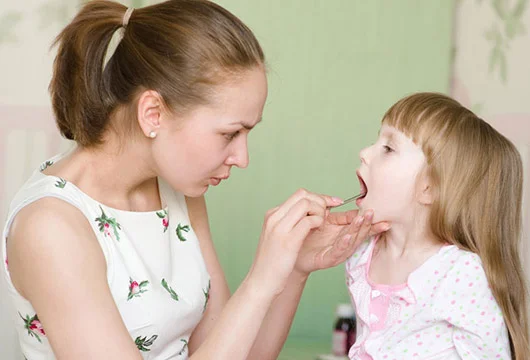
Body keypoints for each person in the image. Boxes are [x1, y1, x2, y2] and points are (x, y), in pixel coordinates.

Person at [1, 1, 389, 359]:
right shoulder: (50, 227)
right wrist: (260, 279)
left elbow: (236, 353)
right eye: (229, 134)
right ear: (153, 113)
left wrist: (292, 270)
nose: (242, 158)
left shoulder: (177, 191)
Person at [345, 92, 529, 359]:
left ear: (429, 188)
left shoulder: (460, 273)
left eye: (388, 148)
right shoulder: (362, 257)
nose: (364, 153)